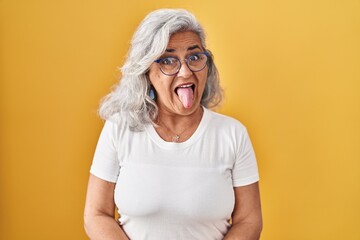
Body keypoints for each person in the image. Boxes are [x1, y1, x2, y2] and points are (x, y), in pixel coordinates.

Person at [84, 8, 262, 240]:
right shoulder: (119, 128)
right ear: (147, 71)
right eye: (168, 61)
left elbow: (249, 220)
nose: (185, 72)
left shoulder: (233, 134)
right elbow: (96, 214)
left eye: (194, 57)